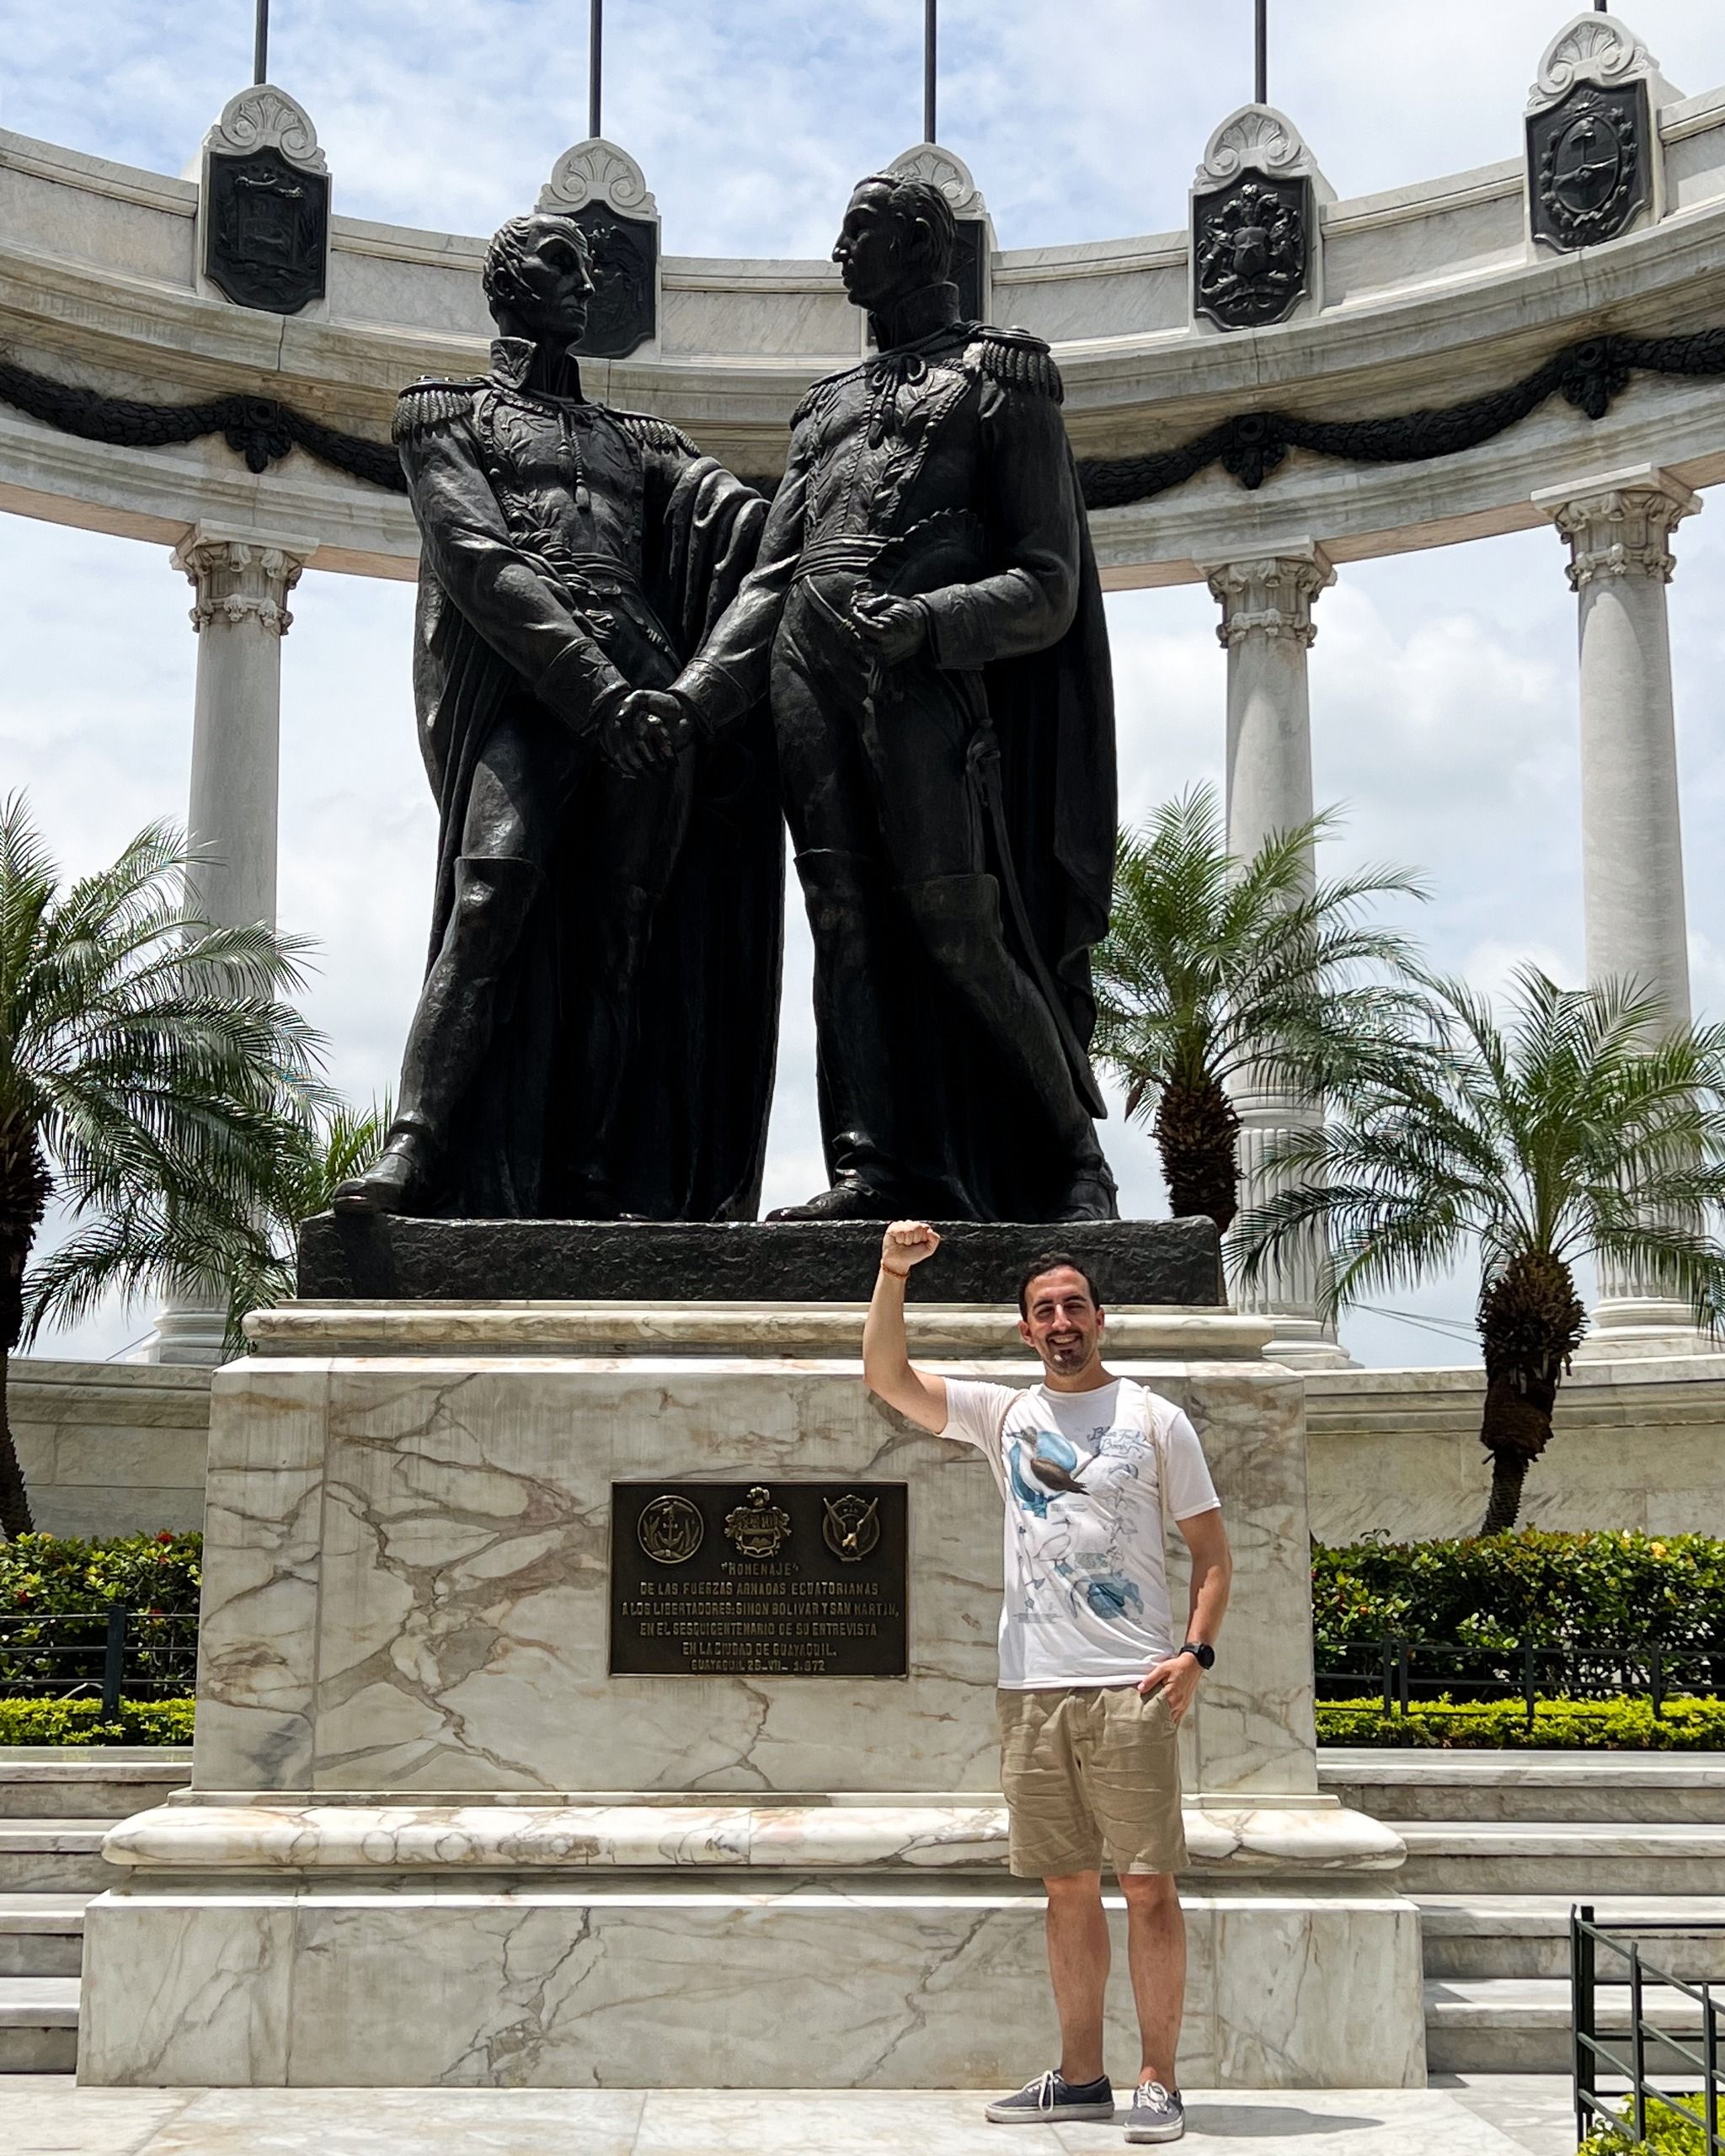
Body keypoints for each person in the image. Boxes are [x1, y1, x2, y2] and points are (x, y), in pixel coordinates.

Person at [615, 171, 1119, 1223]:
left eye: (859, 232)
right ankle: (869, 1163)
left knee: (957, 921)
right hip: (806, 667)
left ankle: (1074, 1163)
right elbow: (770, 578)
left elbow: (1049, 583)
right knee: (840, 920)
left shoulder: (1002, 376)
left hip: (920, 678)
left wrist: (931, 623)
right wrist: (696, 698)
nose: (838, 253)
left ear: (921, 241)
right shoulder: (824, 407)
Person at [334, 210, 781, 1221]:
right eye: (559, 262)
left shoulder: (638, 438)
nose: (584, 281)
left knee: (622, 937)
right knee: (488, 898)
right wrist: (597, 693)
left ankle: (588, 1172)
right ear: (505, 284)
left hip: (648, 701)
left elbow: (744, 525)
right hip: (539, 695)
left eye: (586, 267)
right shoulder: (441, 413)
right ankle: (413, 1146)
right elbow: (478, 560)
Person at [863, 1219, 1232, 2141]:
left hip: (1130, 1687)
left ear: (1100, 1319)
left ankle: (1158, 2079)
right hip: (1032, 1688)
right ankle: (1079, 2078)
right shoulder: (1005, 1416)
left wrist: (1193, 1654)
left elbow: (1212, 1553)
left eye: (1074, 1306)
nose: (1061, 1321)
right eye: (1044, 1311)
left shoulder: (1155, 1419)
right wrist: (892, 1273)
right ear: (1025, 1331)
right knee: (1065, 1888)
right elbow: (887, 1378)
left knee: (1146, 1886)